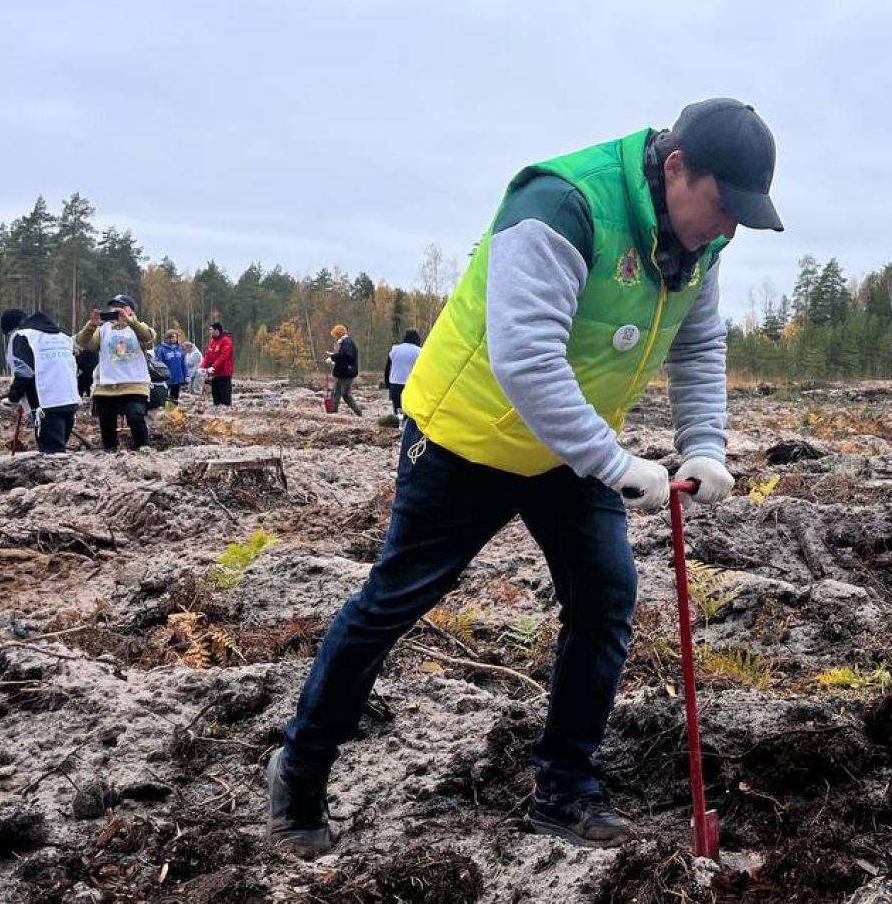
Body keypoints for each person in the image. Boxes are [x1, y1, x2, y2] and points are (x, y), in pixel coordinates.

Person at [267, 98, 784, 856]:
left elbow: (698, 344)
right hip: (464, 437)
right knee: (395, 600)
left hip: (565, 451)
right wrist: (613, 465)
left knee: (604, 600)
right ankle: (301, 769)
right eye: (721, 207)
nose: (728, 229)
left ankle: (564, 787)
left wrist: (703, 444)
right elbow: (526, 359)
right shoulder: (561, 206)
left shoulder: (697, 243)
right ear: (676, 169)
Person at [76, 294, 157, 451]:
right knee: (106, 419)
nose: (115, 310)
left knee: (135, 416)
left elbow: (147, 338)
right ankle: (110, 448)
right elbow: (84, 342)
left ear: (130, 310)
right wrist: (91, 325)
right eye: (113, 307)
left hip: (134, 382)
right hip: (107, 383)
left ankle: (142, 446)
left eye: (120, 306)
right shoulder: (103, 330)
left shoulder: (140, 327)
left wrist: (131, 322)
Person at [9, 311, 79, 454]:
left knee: (52, 454)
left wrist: (14, 396)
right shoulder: (63, 337)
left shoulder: (24, 337)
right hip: (70, 399)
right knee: (60, 450)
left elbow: (24, 372)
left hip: (45, 402)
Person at [0, 308, 39, 413]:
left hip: (40, 398)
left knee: (45, 427)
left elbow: (24, 372)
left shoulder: (20, 337)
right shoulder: (43, 334)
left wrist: (14, 397)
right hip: (67, 396)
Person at [383, 329, 422, 419]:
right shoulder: (420, 352)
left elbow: (387, 369)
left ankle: (399, 428)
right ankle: (407, 430)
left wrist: (388, 385)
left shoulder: (394, 349)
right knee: (410, 413)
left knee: (398, 411)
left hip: (395, 384)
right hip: (412, 385)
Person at [325, 324, 362, 417]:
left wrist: (333, 358)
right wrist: (334, 358)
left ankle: (359, 413)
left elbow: (346, 357)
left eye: (335, 335)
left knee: (345, 395)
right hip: (343, 373)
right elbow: (344, 356)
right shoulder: (345, 342)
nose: (335, 337)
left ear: (339, 334)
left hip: (346, 374)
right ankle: (332, 413)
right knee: (335, 393)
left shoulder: (347, 342)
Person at [204, 322, 235, 408]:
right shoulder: (213, 342)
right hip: (215, 374)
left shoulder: (226, 341)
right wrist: (202, 367)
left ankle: (226, 412)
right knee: (216, 395)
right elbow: (208, 355)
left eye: (211, 330)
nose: (209, 332)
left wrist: (213, 366)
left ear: (217, 330)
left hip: (224, 373)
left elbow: (223, 356)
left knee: (224, 394)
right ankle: (217, 411)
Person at [156, 330, 190, 405]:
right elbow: (159, 364)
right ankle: (164, 412)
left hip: (177, 378)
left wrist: (186, 375)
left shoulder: (179, 349)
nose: (173, 339)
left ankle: (173, 412)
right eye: (171, 337)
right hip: (167, 378)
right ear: (167, 338)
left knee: (174, 397)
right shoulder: (162, 350)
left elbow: (183, 363)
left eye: (175, 337)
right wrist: (161, 376)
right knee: (164, 397)